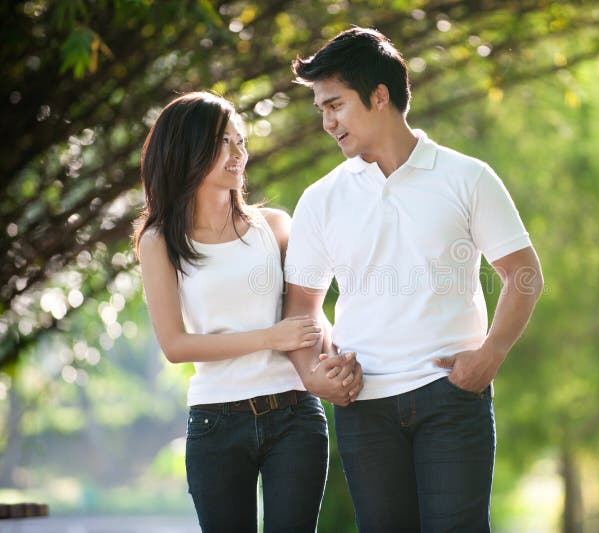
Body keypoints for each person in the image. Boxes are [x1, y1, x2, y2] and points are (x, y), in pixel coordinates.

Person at [284, 28, 544, 532]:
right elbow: (300, 308)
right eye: (320, 109)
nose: (326, 122)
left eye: (334, 105)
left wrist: (490, 354)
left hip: (452, 396)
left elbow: (524, 275)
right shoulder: (321, 198)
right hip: (365, 406)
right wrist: (312, 375)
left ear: (379, 96)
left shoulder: (466, 177)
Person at [133, 92, 362, 533]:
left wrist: (334, 354)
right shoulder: (159, 241)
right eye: (224, 142)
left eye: (240, 141)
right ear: (188, 148)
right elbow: (176, 346)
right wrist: (269, 337)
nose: (238, 153)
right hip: (216, 422)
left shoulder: (274, 227)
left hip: (296, 415)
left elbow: (307, 312)